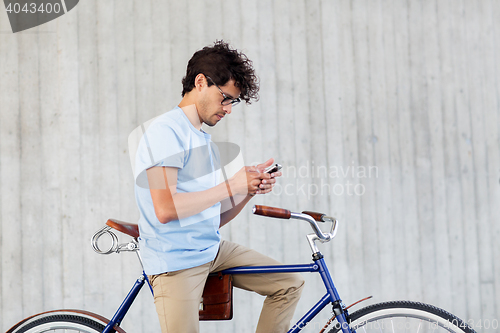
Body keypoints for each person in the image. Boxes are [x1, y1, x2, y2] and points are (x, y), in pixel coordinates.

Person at [133, 40, 304, 333]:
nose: (228, 109)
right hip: (175, 260)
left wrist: (247, 190)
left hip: (211, 250)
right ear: (200, 83)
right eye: (226, 98)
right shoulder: (166, 132)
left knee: (288, 283)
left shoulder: (203, 140)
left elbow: (215, 216)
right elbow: (165, 209)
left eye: (233, 102)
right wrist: (231, 184)